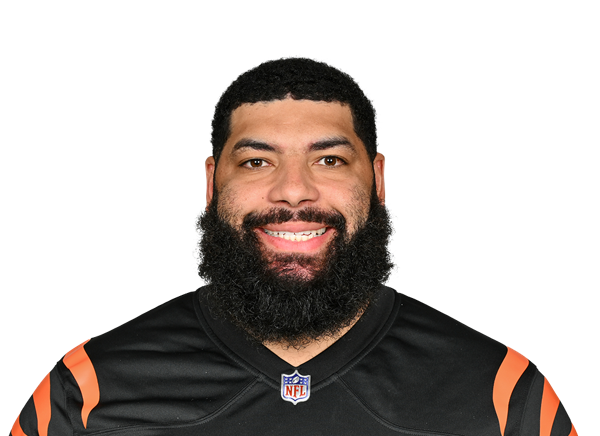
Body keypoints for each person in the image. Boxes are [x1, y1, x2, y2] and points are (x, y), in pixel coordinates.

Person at [10, 56, 577, 436]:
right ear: (211, 184)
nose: (294, 191)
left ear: (378, 181)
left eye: (329, 159)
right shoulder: (85, 389)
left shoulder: (503, 391)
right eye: (257, 161)